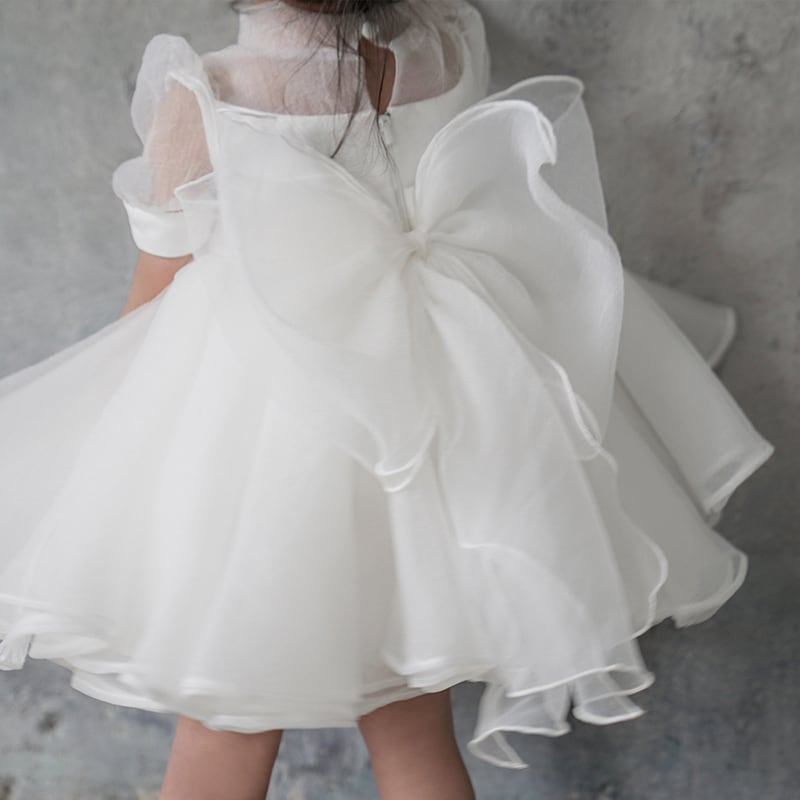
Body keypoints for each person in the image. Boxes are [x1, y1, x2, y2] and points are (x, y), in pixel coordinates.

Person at [0, 1, 775, 798]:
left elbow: (153, 294)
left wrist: (113, 440)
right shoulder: (441, 47)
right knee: (412, 729)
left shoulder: (209, 92)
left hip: (266, 454)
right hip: (431, 427)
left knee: (221, 732)